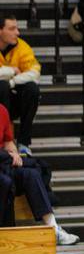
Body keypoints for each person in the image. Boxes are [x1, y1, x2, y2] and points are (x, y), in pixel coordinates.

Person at [0, 101, 79, 244]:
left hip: (4, 165)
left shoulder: (2, 111)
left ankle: (53, 229)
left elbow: (7, 141)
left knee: (32, 174)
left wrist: (14, 153)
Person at [0, 15, 41, 156]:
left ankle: (23, 143)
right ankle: (4, 141)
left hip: (13, 101)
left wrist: (12, 81)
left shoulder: (22, 46)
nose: (17, 32)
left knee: (32, 89)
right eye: (12, 29)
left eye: (17, 28)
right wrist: (11, 71)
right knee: (2, 87)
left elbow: (35, 74)